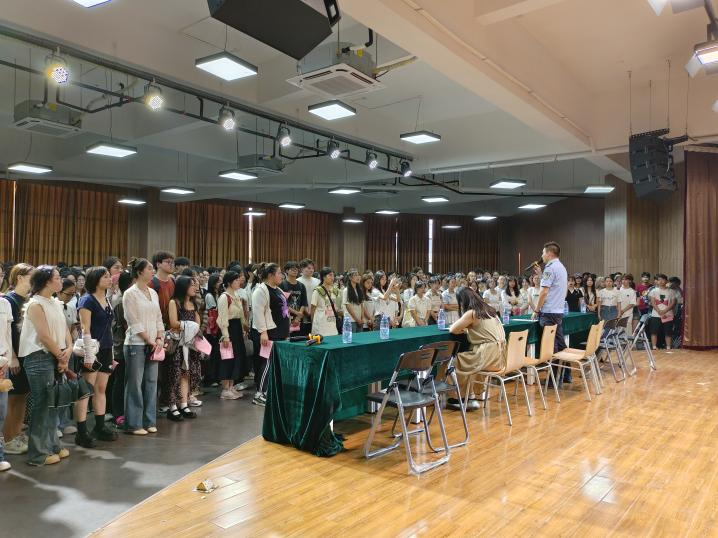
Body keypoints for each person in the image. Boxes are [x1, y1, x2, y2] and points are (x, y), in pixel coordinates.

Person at [19, 266, 73, 465]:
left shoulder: (55, 302)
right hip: (39, 357)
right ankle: (38, 454)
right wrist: (61, 356)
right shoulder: (35, 304)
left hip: (56, 355)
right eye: (57, 278)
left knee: (53, 404)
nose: (61, 281)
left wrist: (68, 349)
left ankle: (52, 445)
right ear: (47, 281)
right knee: (42, 405)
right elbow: (44, 336)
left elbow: (65, 330)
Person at [74, 266, 118, 448]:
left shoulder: (106, 298)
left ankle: (99, 426)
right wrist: (89, 356)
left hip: (106, 348)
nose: (110, 279)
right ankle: (81, 431)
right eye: (105, 276)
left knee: (101, 388)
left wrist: (111, 353)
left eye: (109, 276)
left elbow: (108, 328)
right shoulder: (87, 300)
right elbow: (85, 328)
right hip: (91, 349)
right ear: (95, 280)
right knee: (86, 390)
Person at [122, 258, 164, 436]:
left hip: (154, 343)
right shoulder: (130, 294)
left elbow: (158, 317)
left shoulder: (153, 292)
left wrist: (160, 337)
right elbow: (133, 321)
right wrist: (149, 339)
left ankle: (149, 420)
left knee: (151, 383)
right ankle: (134, 423)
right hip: (136, 344)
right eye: (149, 268)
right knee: (135, 384)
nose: (152, 271)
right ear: (139, 272)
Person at [448, 287, 505, 411]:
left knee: (457, 361)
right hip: (500, 357)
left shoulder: (472, 313)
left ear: (462, 301)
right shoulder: (490, 310)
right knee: (467, 358)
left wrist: (466, 330)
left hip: (487, 356)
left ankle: (460, 398)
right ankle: (471, 396)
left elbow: (453, 329)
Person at [3, 263, 34, 456]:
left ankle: (16, 434)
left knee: (22, 396)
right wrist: (13, 356)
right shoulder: (9, 300)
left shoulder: (28, 300)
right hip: (14, 356)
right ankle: (7, 439)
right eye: (31, 276)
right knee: (12, 399)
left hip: (26, 355)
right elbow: (7, 332)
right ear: (19, 277)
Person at [251, 263, 290, 407]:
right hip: (269, 333)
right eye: (279, 273)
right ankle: (259, 394)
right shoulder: (261, 291)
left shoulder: (278, 289)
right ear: (270, 275)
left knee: (274, 364)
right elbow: (258, 312)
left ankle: (268, 391)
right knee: (267, 363)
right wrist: (263, 332)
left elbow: (283, 310)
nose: (281, 276)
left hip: (280, 332)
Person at [531, 242, 569, 384]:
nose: (542, 256)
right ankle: (566, 375)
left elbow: (544, 292)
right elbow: (554, 287)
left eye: (543, 253)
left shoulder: (550, 268)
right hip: (557, 311)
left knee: (551, 346)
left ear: (549, 253)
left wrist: (536, 309)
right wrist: (541, 274)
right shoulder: (561, 267)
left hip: (548, 312)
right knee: (560, 344)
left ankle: (553, 380)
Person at [166, 276, 201, 420]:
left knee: (186, 374)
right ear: (183, 286)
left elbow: (198, 324)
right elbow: (173, 322)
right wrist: (190, 326)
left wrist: (192, 327)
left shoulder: (194, 304)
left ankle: (184, 404)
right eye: (191, 285)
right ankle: (172, 406)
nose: (194, 287)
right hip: (177, 343)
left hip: (189, 344)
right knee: (174, 374)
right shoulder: (174, 302)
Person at [217, 271, 248, 401]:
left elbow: (241, 315)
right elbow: (222, 318)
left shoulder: (236, 295)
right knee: (227, 359)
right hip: (228, 330)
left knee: (236, 358)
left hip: (236, 329)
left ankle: (231, 386)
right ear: (229, 282)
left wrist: (244, 327)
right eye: (236, 280)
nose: (239, 282)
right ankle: (225, 389)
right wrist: (225, 336)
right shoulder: (224, 297)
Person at [109, 271, 132, 428]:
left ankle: (125, 411)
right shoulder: (123, 301)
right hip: (121, 346)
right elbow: (127, 326)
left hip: (127, 345)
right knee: (120, 380)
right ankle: (118, 413)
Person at [0, 294, 15, 471]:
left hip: (2, 363)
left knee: (1, 412)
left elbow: (8, 334)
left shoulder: (5, 303)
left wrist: (9, 359)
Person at [310, 267, 342, 337]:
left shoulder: (335, 291)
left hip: (332, 325)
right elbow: (313, 308)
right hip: (320, 324)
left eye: (333, 275)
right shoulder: (317, 291)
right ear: (324, 277)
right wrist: (313, 322)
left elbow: (336, 307)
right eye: (330, 275)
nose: (332, 277)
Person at [648, 274, 677, 351]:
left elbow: (673, 303)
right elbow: (652, 302)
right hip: (655, 314)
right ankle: (654, 347)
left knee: (668, 332)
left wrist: (665, 311)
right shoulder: (653, 291)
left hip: (668, 314)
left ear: (666, 281)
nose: (660, 281)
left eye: (662, 279)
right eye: (659, 280)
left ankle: (668, 347)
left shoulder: (671, 291)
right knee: (654, 331)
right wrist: (659, 311)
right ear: (657, 281)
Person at [280, 261, 308, 336]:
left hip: (299, 319)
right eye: (292, 269)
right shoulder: (282, 285)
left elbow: (304, 303)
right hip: (286, 318)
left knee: (299, 339)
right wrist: (297, 313)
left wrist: (298, 317)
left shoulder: (301, 286)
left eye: (296, 269)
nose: (295, 271)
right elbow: (283, 304)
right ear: (287, 271)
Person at [342, 269, 364, 333]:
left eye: (358, 275)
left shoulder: (359, 290)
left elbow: (362, 305)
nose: (358, 277)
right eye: (355, 275)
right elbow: (348, 306)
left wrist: (362, 318)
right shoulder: (346, 290)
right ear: (350, 277)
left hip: (360, 320)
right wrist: (357, 319)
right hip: (350, 320)